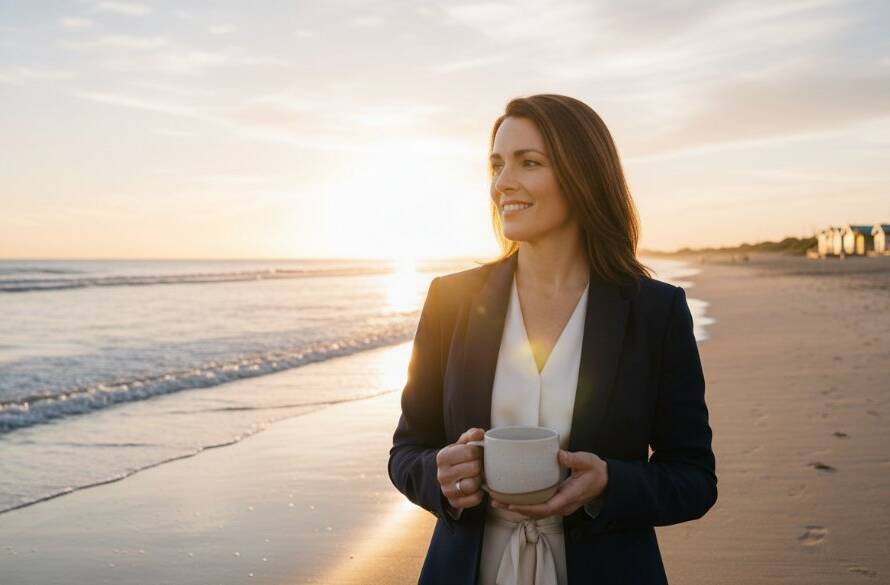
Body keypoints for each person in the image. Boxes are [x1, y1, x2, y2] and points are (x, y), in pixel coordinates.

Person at [388, 94, 717, 585]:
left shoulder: (655, 311)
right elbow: (407, 451)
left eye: (529, 163)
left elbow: (693, 478)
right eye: (497, 165)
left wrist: (610, 483)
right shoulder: (450, 299)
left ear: (584, 175)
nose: (502, 183)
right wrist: (439, 473)